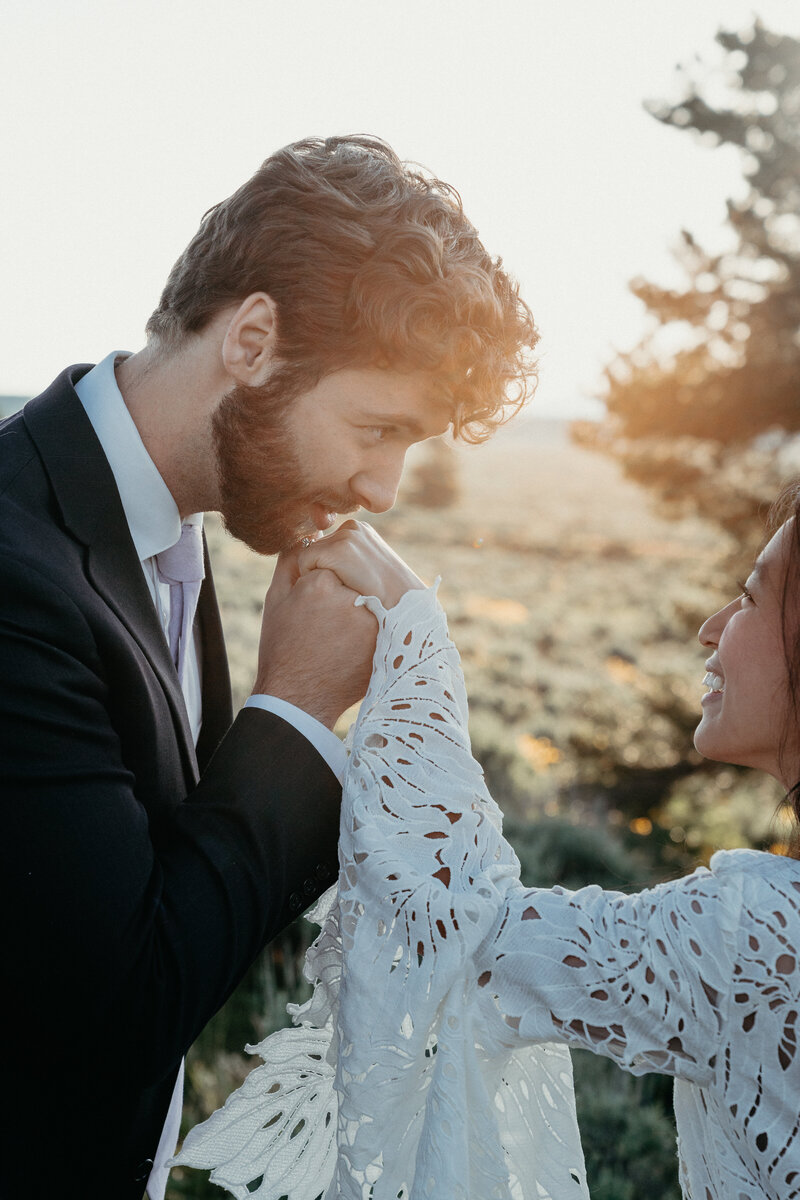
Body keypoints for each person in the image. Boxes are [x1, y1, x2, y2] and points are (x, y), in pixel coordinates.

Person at [0, 135, 537, 1200]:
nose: (382, 488)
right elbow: (116, 1009)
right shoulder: (15, 574)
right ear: (252, 340)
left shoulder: (169, 536)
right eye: (375, 427)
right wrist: (291, 711)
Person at [178, 489, 800, 1200]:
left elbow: (473, 937)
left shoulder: (761, 933)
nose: (711, 628)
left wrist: (416, 631)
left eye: (749, 600)